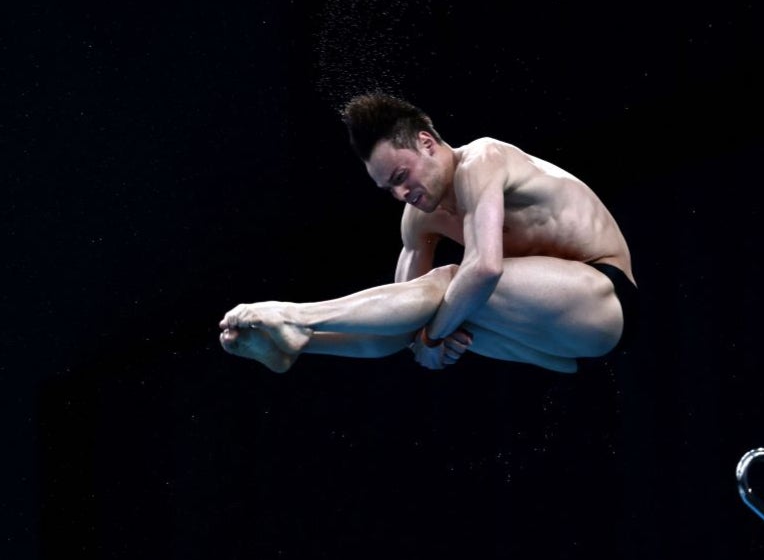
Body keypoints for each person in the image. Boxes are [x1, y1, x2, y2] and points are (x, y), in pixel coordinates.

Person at [218, 91, 638, 374]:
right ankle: (295, 342)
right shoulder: (417, 220)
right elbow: (400, 334)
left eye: (402, 175)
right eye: (389, 188)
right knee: (432, 307)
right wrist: (427, 341)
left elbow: (486, 267)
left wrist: (434, 337)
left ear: (427, 143)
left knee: (453, 283)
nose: (402, 193)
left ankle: (297, 315)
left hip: (604, 300)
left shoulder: (482, 159)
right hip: (555, 347)